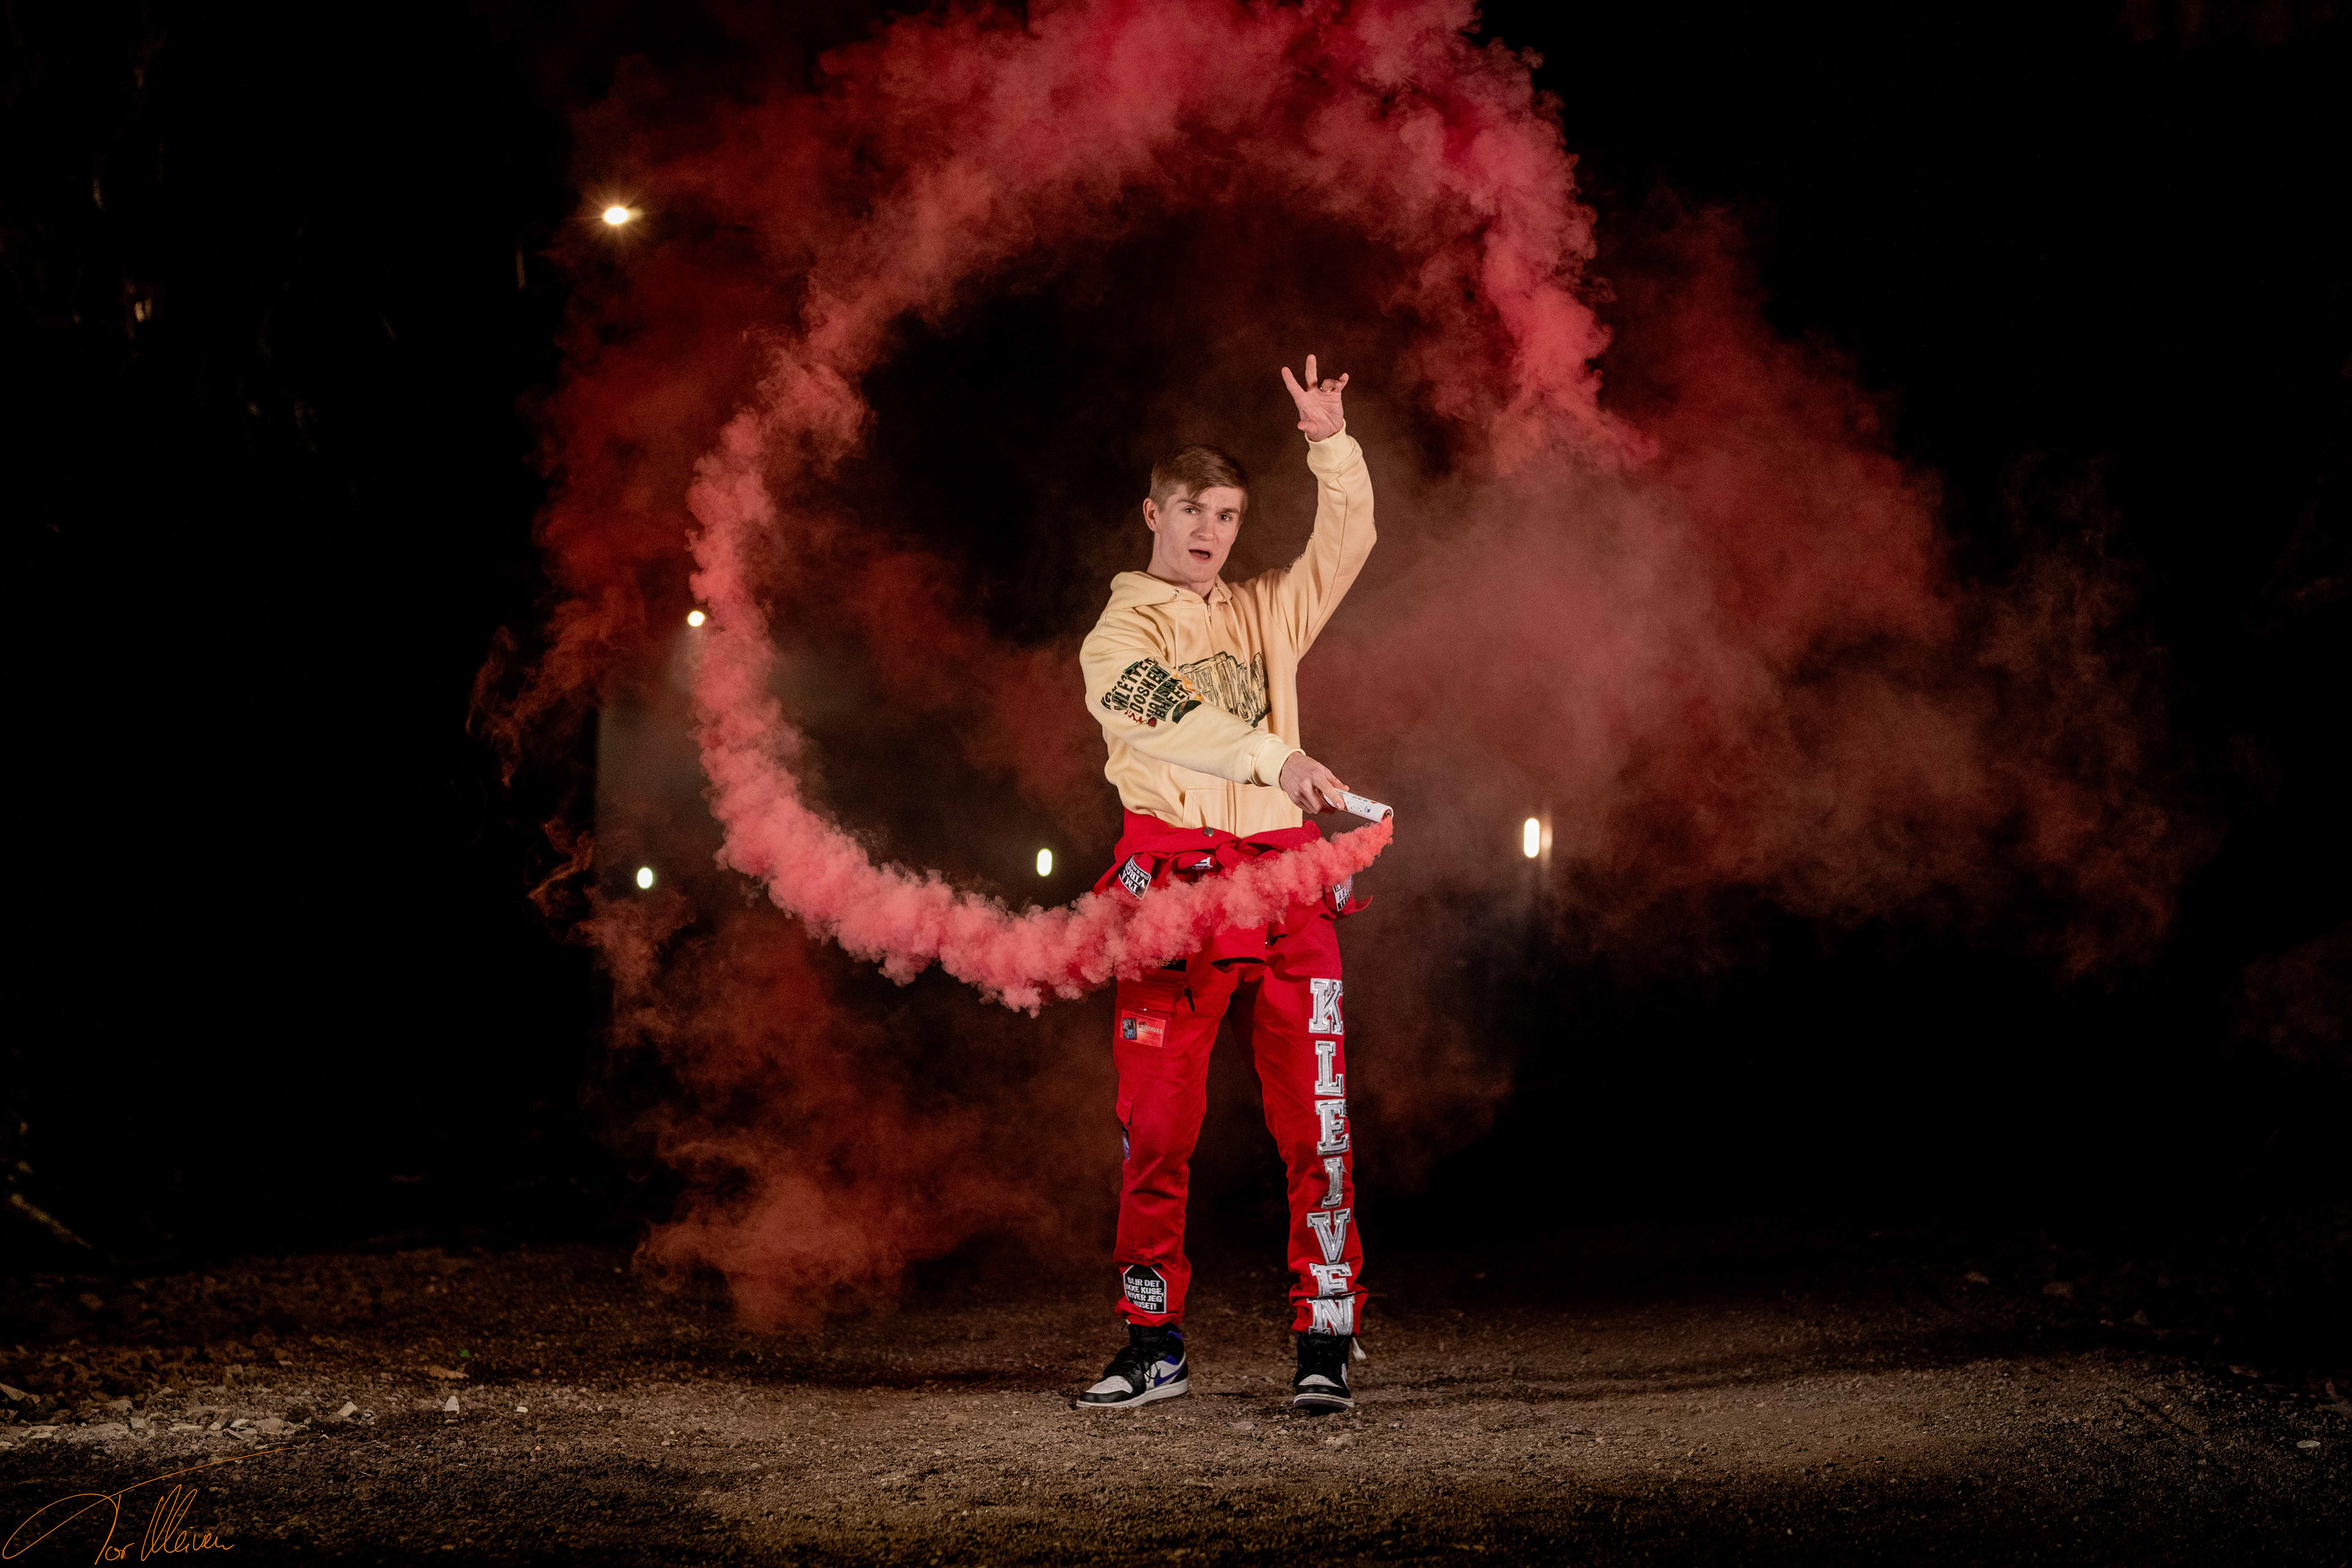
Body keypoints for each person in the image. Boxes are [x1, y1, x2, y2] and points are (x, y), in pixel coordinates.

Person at [1072, 355, 1374, 1414]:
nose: (1210, 530)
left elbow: (1346, 546)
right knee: (1156, 1130)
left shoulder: (1265, 611)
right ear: (1153, 512)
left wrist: (1331, 446)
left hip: (1286, 887)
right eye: (1193, 510)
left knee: (1317, 1126)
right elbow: (1169, 717)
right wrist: (1274, 759)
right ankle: (1152, 1342)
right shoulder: (1119, 637)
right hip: (1174, 898)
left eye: (1230, 514)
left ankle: (1325, 1341)